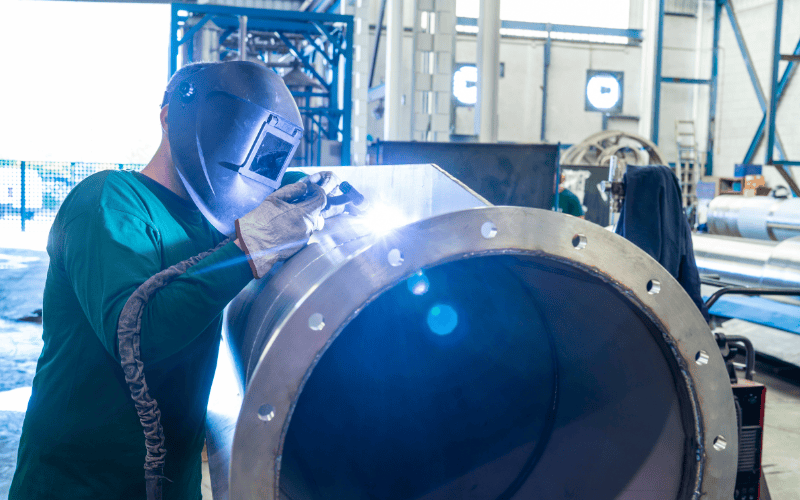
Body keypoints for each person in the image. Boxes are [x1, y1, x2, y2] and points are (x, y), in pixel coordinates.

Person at [10, 61, 336, 499]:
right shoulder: (109, 201)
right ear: (168, 117)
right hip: (76, 486)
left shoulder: (217, 228)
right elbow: (138, 336)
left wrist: (306, 197)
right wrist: (250, 249)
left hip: (170, 485)